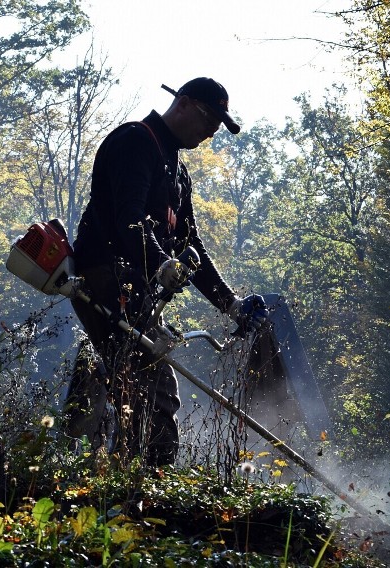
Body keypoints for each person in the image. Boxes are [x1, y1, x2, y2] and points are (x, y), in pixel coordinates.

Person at [70, 77, 268, 467]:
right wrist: (162, 264)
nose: (211, 132)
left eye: (217, 126)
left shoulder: (177, 171)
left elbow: (189, 246)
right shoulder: (136, 142)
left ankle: (90, 457)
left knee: (125, 377)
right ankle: (148, 487)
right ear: (184, 103)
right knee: (156, 386)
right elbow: (130, 221)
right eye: (209, 120)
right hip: (106, 277)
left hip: (135, 288)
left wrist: (231, 304)